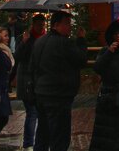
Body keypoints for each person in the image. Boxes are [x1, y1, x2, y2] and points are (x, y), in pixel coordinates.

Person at [30, 10, 88, 151]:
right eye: (67, 23)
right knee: (59, 137)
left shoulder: (40, 42)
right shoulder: (64, 43)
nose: (69, 27)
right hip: (59, 96)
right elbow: (81, 60)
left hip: (41, 94)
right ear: (56, 25)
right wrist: (81, 39)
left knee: (43, 133)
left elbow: (33, 68)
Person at [89, 20, 119, 151]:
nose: (118, 36)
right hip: (107, 101)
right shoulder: (106, 51)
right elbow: (97, 68)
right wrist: (109, 52)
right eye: (115, 34)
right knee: (104, 139)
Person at [13, 13, 46, 151]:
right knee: (32, 112)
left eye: (43, 25)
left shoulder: (45, 38)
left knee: (39, 113)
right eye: (39, 25)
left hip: (40, 81)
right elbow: (18, 56)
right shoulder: (26, 38)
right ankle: (28, 143)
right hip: (27, 81)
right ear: (33, 25)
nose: (41, 27)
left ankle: (37, 143)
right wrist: (24, 42)